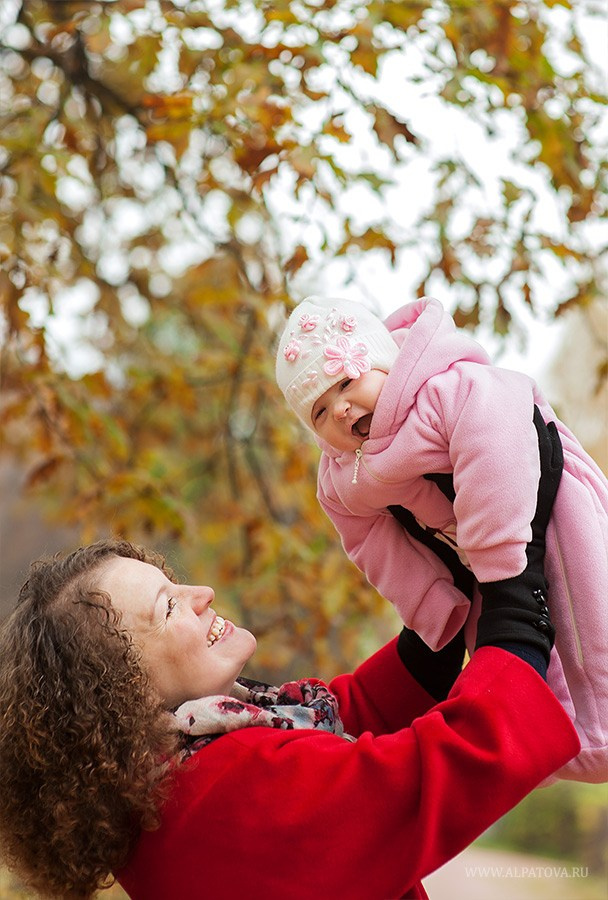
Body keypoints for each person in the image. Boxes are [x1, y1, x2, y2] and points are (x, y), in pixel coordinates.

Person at [0, 418, 579, 899]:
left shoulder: (174, 778)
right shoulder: (224, 796)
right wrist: (515, 581)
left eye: (173, 582)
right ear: (120, 691)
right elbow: (433, 775)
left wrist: (446, 576)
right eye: (167, 606)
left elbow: (350, 715)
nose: (201, 594)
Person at [276, 294, 608, 785]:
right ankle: (561, 740)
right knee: (499, 643)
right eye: (320, 412)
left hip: (545, 506)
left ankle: (599, 726)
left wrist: (498, 560)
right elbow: (367, 541)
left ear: (385, 363)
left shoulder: (446, 389)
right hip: (469, 558)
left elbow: (496, 445)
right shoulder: (342, 477)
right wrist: (433, 601)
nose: (340, 410)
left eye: (346, 382)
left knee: (586, 614)